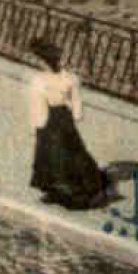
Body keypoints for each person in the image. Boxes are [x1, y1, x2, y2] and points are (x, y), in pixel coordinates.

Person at [28, 38, 109, 209]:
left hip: (49, 118)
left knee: (49, 154)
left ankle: (58, 190)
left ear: (43, 61)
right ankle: (85, 186)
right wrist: (75, 115)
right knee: (73, 151)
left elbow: (39, 106)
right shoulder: (70, 78)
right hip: (65, 117)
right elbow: (77, 105)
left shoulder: (39, 80)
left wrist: (37, 125)